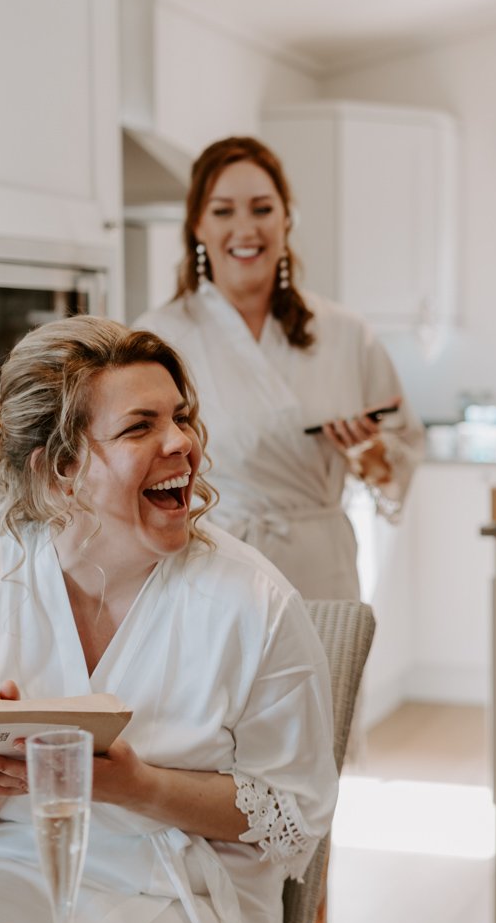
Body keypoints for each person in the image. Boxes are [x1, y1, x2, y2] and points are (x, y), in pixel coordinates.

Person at [0, 316, 338, 923]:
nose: (182, 443)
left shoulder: (255, 605)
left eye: (183, 417)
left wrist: (136, 787)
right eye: (141, 426)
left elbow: (292, 816)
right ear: (61, 469)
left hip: (178, 893)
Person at [137, 135, 425, 601]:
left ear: (287, 218)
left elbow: (401, 449)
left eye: (262, 209)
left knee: (325, 673)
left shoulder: (346, 333)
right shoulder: (158, 339)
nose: (245, 228)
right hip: (212, 569)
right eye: (223, 211)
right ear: (197, 225)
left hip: (321, 569)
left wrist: (370, 455)